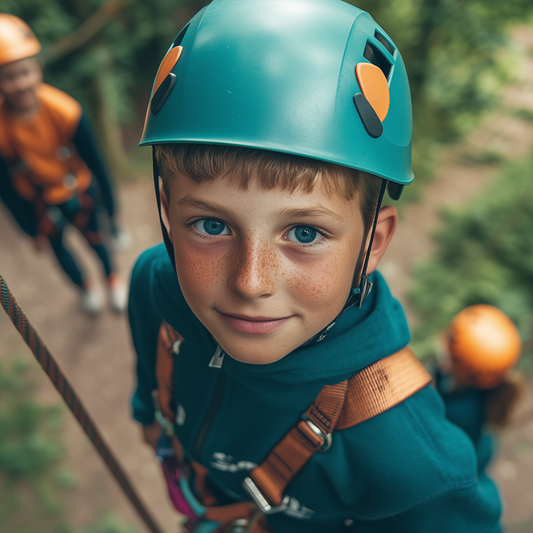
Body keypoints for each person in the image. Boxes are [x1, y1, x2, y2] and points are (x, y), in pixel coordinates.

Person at [128, 1, 502, 531]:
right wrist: (149, 412)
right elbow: (151, 367)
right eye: (211, 225)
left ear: (373, 243)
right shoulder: (155, 284)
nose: (250, 283)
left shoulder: (414, 467)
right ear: (167, 210)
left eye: (305, 233)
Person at [0, 13, 127, 313]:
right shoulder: (3, 129)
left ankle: (112, 278)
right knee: (60, 252)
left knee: (99, 242)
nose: (20, 84)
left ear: (38, 68)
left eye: (25, 72)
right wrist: (28, 226)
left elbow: (97, 164)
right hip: (42, 200)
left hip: (77, 190)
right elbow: (4, 185)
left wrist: (111, 210)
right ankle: (85, 286)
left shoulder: (66, 111)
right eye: (8, 77)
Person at [434, 304, 525, 474]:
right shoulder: (473, 382)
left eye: (452, 360)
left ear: (471, 375)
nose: (442, 358)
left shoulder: (461, 416)